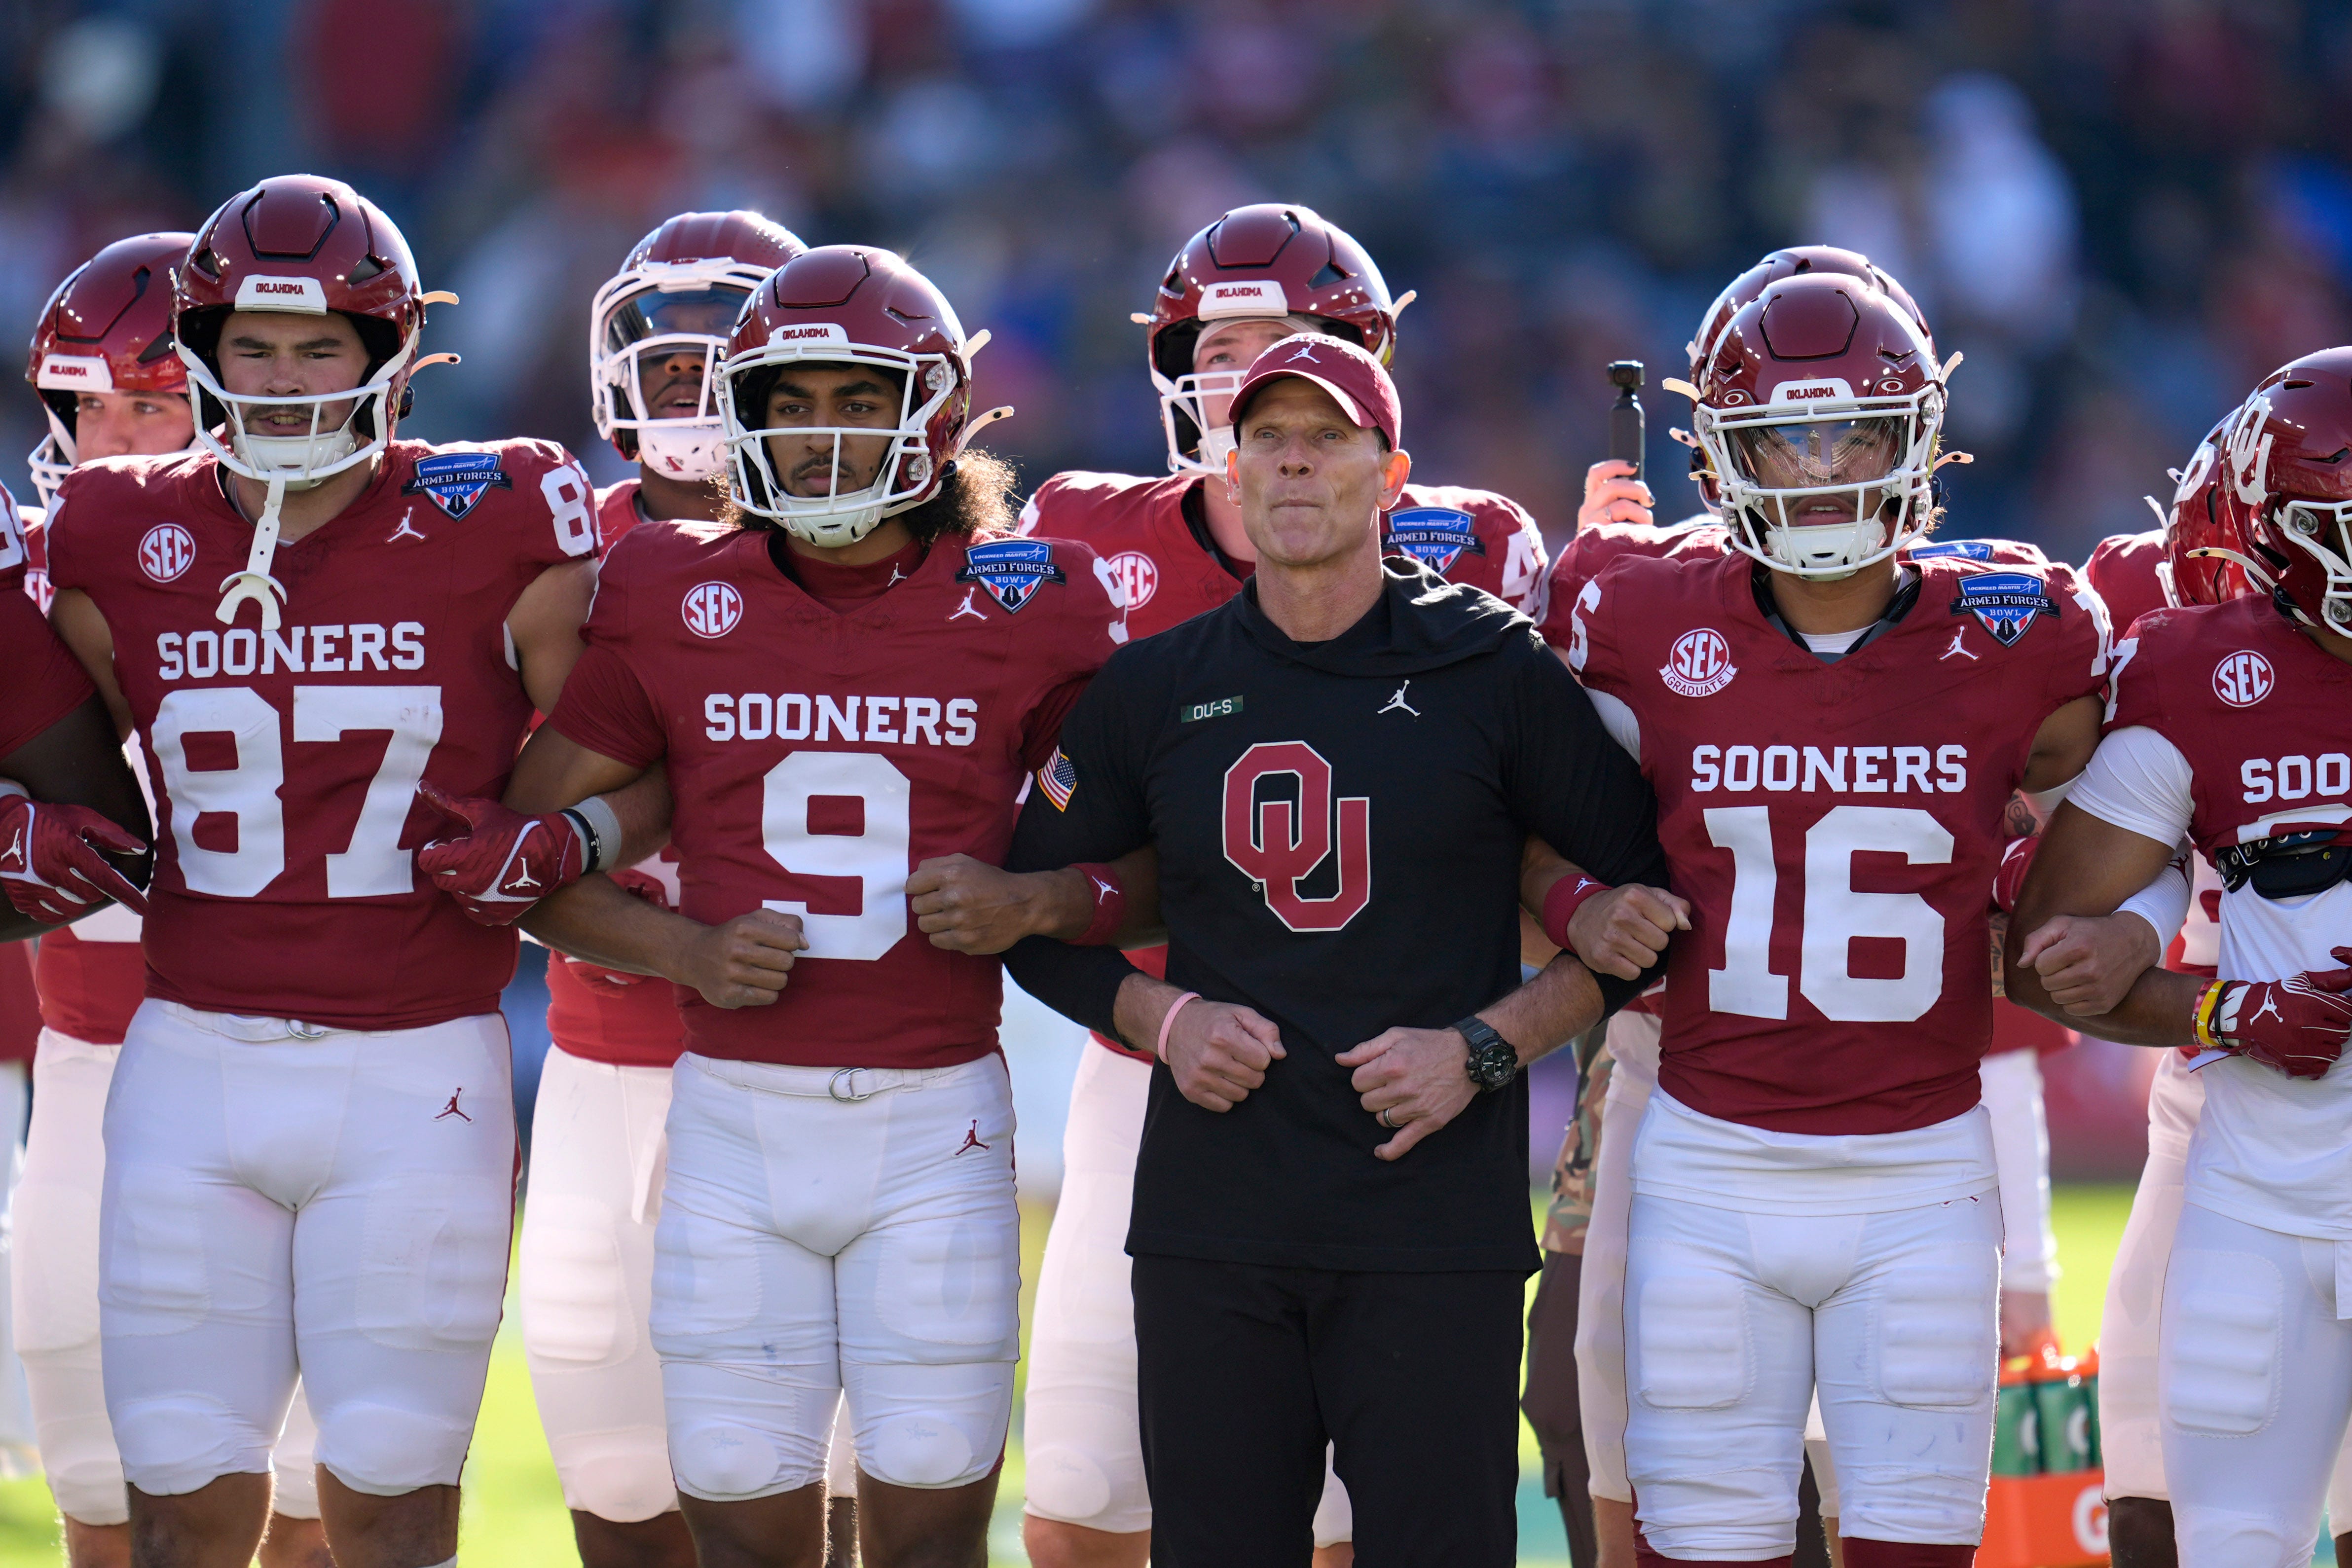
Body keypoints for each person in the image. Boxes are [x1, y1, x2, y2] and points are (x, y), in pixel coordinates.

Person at [417, 244, 1124, 1568]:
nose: (822, 436)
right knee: (734, 1529)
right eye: (793, 401)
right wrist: (680, 943)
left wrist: (1034, 896)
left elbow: (1147, 859)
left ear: (938, 414)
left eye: (859, 400)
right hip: (734, 1116)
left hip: (937, 1119)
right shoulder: (674, 588)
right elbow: (530, 846)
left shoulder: (1038, 601)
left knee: (925, 1540)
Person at [1001, 332, 1672, 1568]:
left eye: (1327, 441)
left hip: (1429, 1217)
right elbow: (1022, 916)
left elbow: (1646, 913)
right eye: (1268, 441)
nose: (1294, 467)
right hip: (1217, 1216)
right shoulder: (1154, 684)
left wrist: (1487, 1045)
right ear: (1232, 468)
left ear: (1390, 474)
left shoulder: (1490, 663)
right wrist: (1161, 1021)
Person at [40, 173, 598, 1568]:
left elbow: (627, 738)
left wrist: (562, 835)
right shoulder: (111, 526)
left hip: (418, 1069)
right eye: (252, 347)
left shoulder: (502, 510)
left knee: (395, 1512)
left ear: (388, 355)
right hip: (187, 1057)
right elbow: (58, 751)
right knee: (172, 1506)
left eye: (320, 347)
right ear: (203, 353)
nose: (284, 379)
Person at [1538, 243, 2085, 1568]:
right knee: (1699, 1542)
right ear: (1724, 455)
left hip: (1923, 1165)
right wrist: (1573, 898)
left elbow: (2103, 814)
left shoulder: (2025, 625)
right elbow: (1513, 812)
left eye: (1856, 435)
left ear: (1920, 439)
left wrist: (2043, 897)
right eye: (1789, 442)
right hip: (1709, 1154)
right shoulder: (1632, 609)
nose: (1829, 470)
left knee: (1913, 1548)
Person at [11, 229, 335, 1568]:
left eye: (143, 400)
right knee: (112, 1511)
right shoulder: (28, 580)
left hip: (328, 1060)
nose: (105, 435)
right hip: (95, 1064)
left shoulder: (362, 559)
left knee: (332, 1510)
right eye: (83, 404)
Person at [2007, 348, 2352, 1567]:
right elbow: (2044, 901)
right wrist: (2209, 996)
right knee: (2169, 1505)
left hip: (2254, 1090)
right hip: (2225, 1117)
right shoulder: (2167, 645)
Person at [522, 207, 830, 1568]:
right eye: (668, 370)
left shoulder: (880, 547)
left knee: (839, 1486)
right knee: (621, 1479)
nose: (695, 401)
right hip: (603, 1051)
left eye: (727, 366)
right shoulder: (554, 552)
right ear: (616, 385)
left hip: (826, 1061)